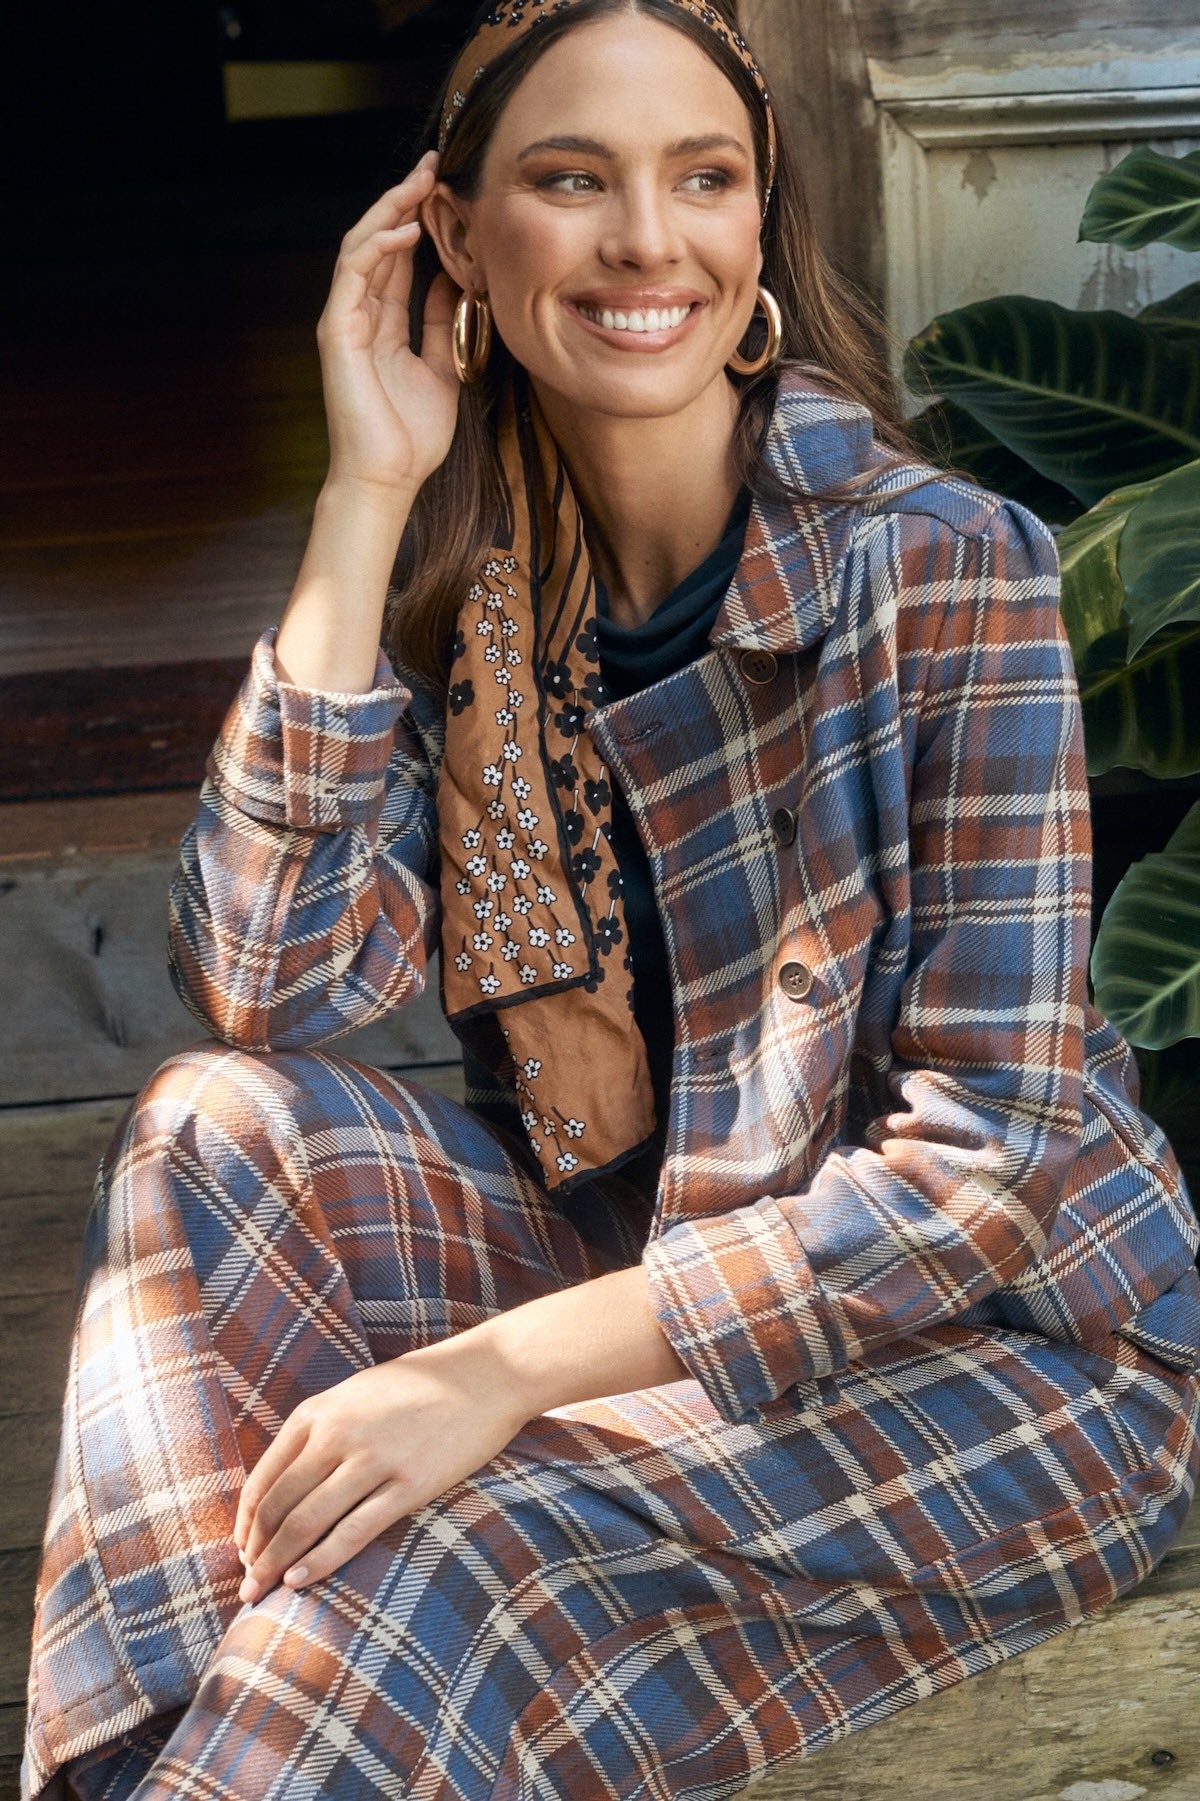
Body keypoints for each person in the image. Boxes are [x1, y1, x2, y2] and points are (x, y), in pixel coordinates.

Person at [21, 2, 1200, 1797]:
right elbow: (264, 975)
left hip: (1013, 1360)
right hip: (652, 1269)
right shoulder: (478, 585)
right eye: (573, 181)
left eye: (703, 179)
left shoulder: (939, 564)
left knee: (442, 1546)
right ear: (455, 236)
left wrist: (493, 1373)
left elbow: (983, 1169)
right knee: (206, 1130)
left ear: (759, 222)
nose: (649, 240)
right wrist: (365, 485)